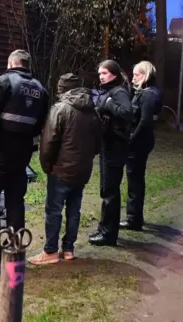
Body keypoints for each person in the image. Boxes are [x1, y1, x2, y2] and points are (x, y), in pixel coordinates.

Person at [0, 49, 49, 274]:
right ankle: (14, 256)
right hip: (21, 157)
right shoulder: (41, 90)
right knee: (15, 203)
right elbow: (39, 125)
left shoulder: (3, 82)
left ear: (11, 62)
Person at [28, 73, 101, 265]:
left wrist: (47, 166)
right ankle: (69, 249)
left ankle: (50, 251)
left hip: (61, 170)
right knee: (74, 209)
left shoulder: (60, 109)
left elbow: (48, 142)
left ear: (62, 89)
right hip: (82, 170)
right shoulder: (93, 110)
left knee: (53, 210)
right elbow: (98, 144)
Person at [89, 60, 133, 246]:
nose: (101, 76)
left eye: (104, 73)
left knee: (110, 191)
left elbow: (126, 113)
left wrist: (108, 104)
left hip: (116, 146)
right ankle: (105, 228)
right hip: (107, 146)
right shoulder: (107, 92)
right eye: (100, 73)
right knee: (106, 189)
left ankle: (108, 234)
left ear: (114, 74)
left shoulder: (118, 92)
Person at [120, 61, 162, 231]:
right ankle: (135, 216)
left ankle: (134, 219)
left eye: (136, 74)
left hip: (139, 143)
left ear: (145, 75)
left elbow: (144, 122)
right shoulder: (147, 93)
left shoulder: (149, 95)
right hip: (142, 141)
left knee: (135, 180)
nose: (133, 78)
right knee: (136, 179)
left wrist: (130, 139)